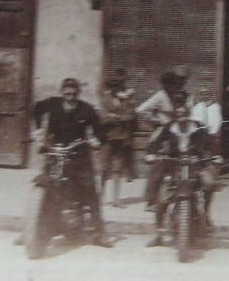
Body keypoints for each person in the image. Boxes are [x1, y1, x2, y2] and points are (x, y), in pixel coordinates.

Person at [31, 78, 112, 248]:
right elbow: (36, 109)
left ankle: (98, 233)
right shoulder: (53, 104)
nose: (70, 97)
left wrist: (97, 141)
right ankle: (30, 230)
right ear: (62, 92)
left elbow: (100, 132)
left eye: (74, 94)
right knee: (45, 184)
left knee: (91, 192)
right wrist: (38, 130)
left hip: (78, 154)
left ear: (78, 94)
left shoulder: (87, 109)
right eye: (67, 94)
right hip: (55, 151)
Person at [144, 100, 218, 247]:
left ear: (189, 115)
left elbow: (211, 143)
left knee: (209, 184)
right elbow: (154, 143)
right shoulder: (169, 127)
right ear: (175, 116)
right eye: (179, 115)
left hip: (195, 165)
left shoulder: (198, 127)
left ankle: (206, 215)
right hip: (174, 166)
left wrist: (216, 155)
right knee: (162, 199)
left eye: (184, 115)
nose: (182, 118)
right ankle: (159, 234)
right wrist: (151, 154)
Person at [136, 70, 193, 211]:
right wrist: (155, 119)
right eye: (168, 84)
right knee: (158, 168)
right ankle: (151, 201)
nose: (171, 87)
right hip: (162, 135)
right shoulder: (160, 96)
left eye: (173, 84)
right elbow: (141, 110)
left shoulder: (182, 96)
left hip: (177, 134)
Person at [99, 68, 136, 208]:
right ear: (111, 86)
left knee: (117, 169)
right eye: (115, 85)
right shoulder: (105, 98)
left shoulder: (127, 98)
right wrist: (114, 118)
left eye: (120, 84)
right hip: (107, 138)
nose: (119, 86)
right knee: (103, 168)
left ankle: (116, 199)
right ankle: (100, 197)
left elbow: (132, 116)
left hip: (121, 138)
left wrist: (115, 117)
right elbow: (101, 119)